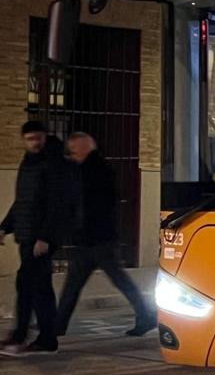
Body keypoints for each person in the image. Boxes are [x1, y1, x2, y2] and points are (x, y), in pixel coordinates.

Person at [56, 133, 155, 338]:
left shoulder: (92, 171)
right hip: (95, 238)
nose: (71, 153)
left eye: (73, 149)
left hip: (97, 239)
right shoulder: (95, 169)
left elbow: (89, 205)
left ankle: (146, 315)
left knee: (88, 283)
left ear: (83, 148)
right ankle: (145, 315)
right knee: (80, 284)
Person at [1, 121, 71, 355]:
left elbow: (56, 204)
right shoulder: (28, 162)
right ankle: (45, 338)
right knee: (37, 287)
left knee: (28, 285)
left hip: (40, 239)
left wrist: (45, 237)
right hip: (27, 235)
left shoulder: (53, 163)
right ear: (24, 139)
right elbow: (23, 200)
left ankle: (22, 336)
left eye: (38, 138)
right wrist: (5, 227)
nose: (34, 143)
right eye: (30, 139)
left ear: (44, 136)